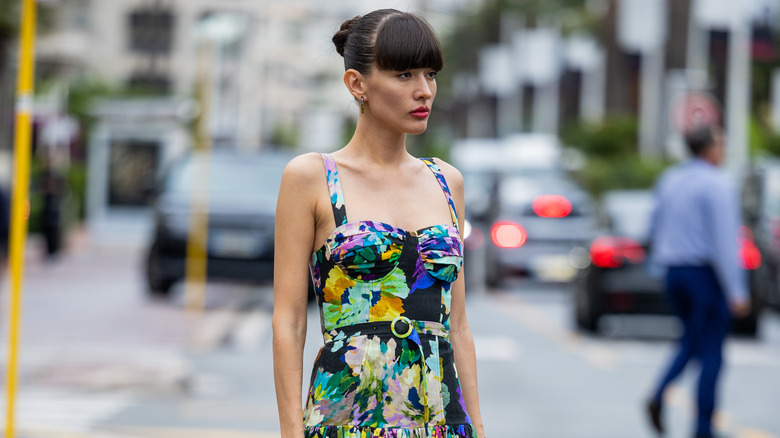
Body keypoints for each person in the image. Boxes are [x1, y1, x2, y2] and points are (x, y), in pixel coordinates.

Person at [272, 9, 485, 438]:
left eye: (430, 74)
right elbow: (289, 319)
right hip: (347, 417)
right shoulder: (313, 177)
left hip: (442, 421)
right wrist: (291, 431)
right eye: (405, 75)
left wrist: (477, 427)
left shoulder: (447, 181)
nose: (424, 91)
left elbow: (458, 324)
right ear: (357, 84)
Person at [645, 124, 751, 438]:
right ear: (711, 149)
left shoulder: (670, 179)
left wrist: (658, 264)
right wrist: (737, 289)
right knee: (712, 352)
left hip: (674, 272)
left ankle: (663, 393)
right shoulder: (717, 184)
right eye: (721, 144)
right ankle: (701, 426)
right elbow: (724, 242)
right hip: (704, 274)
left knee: (694, 341)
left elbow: (654, 225)